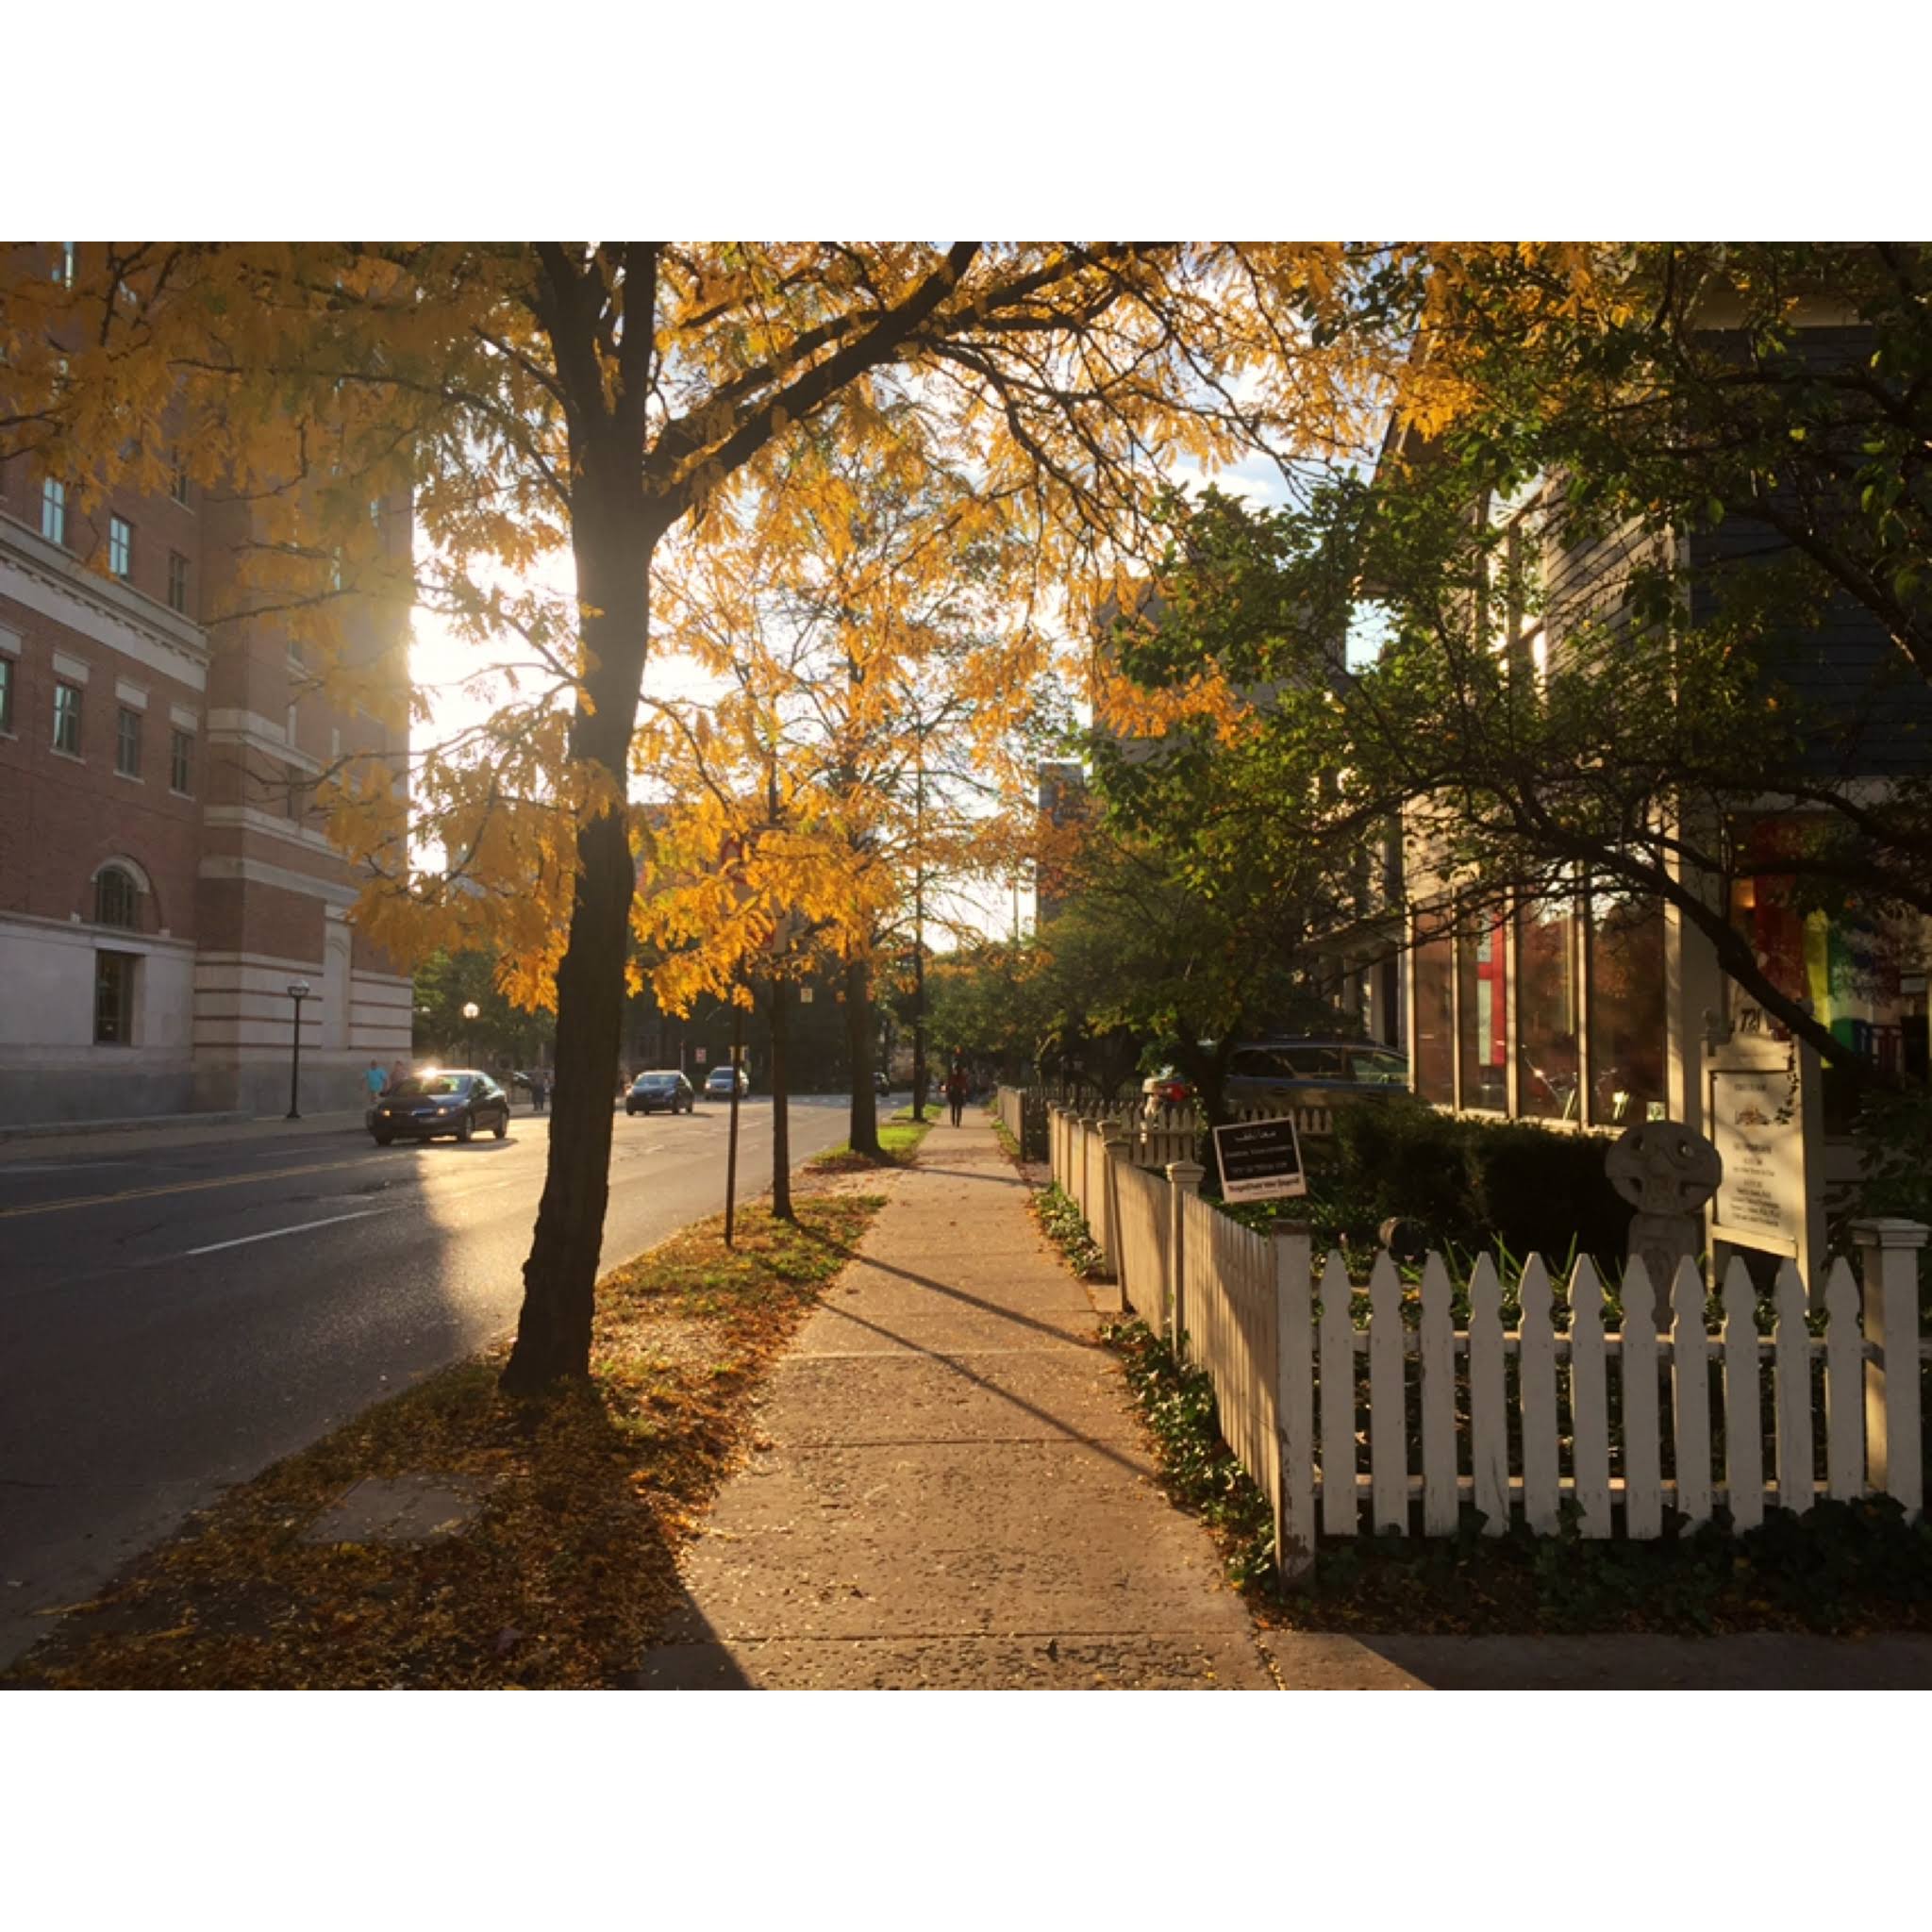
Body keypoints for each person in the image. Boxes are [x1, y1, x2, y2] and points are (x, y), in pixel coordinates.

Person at [945, 1062, 968, 1128]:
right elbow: (949, 1084)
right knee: (956, 1107)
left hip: (956, 1092)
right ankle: (955, 1120)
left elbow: (949, 1084)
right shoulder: (956, 1076)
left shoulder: (954, 1076)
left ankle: (955, 1121)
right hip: (956, 1092)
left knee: (955, 1107)